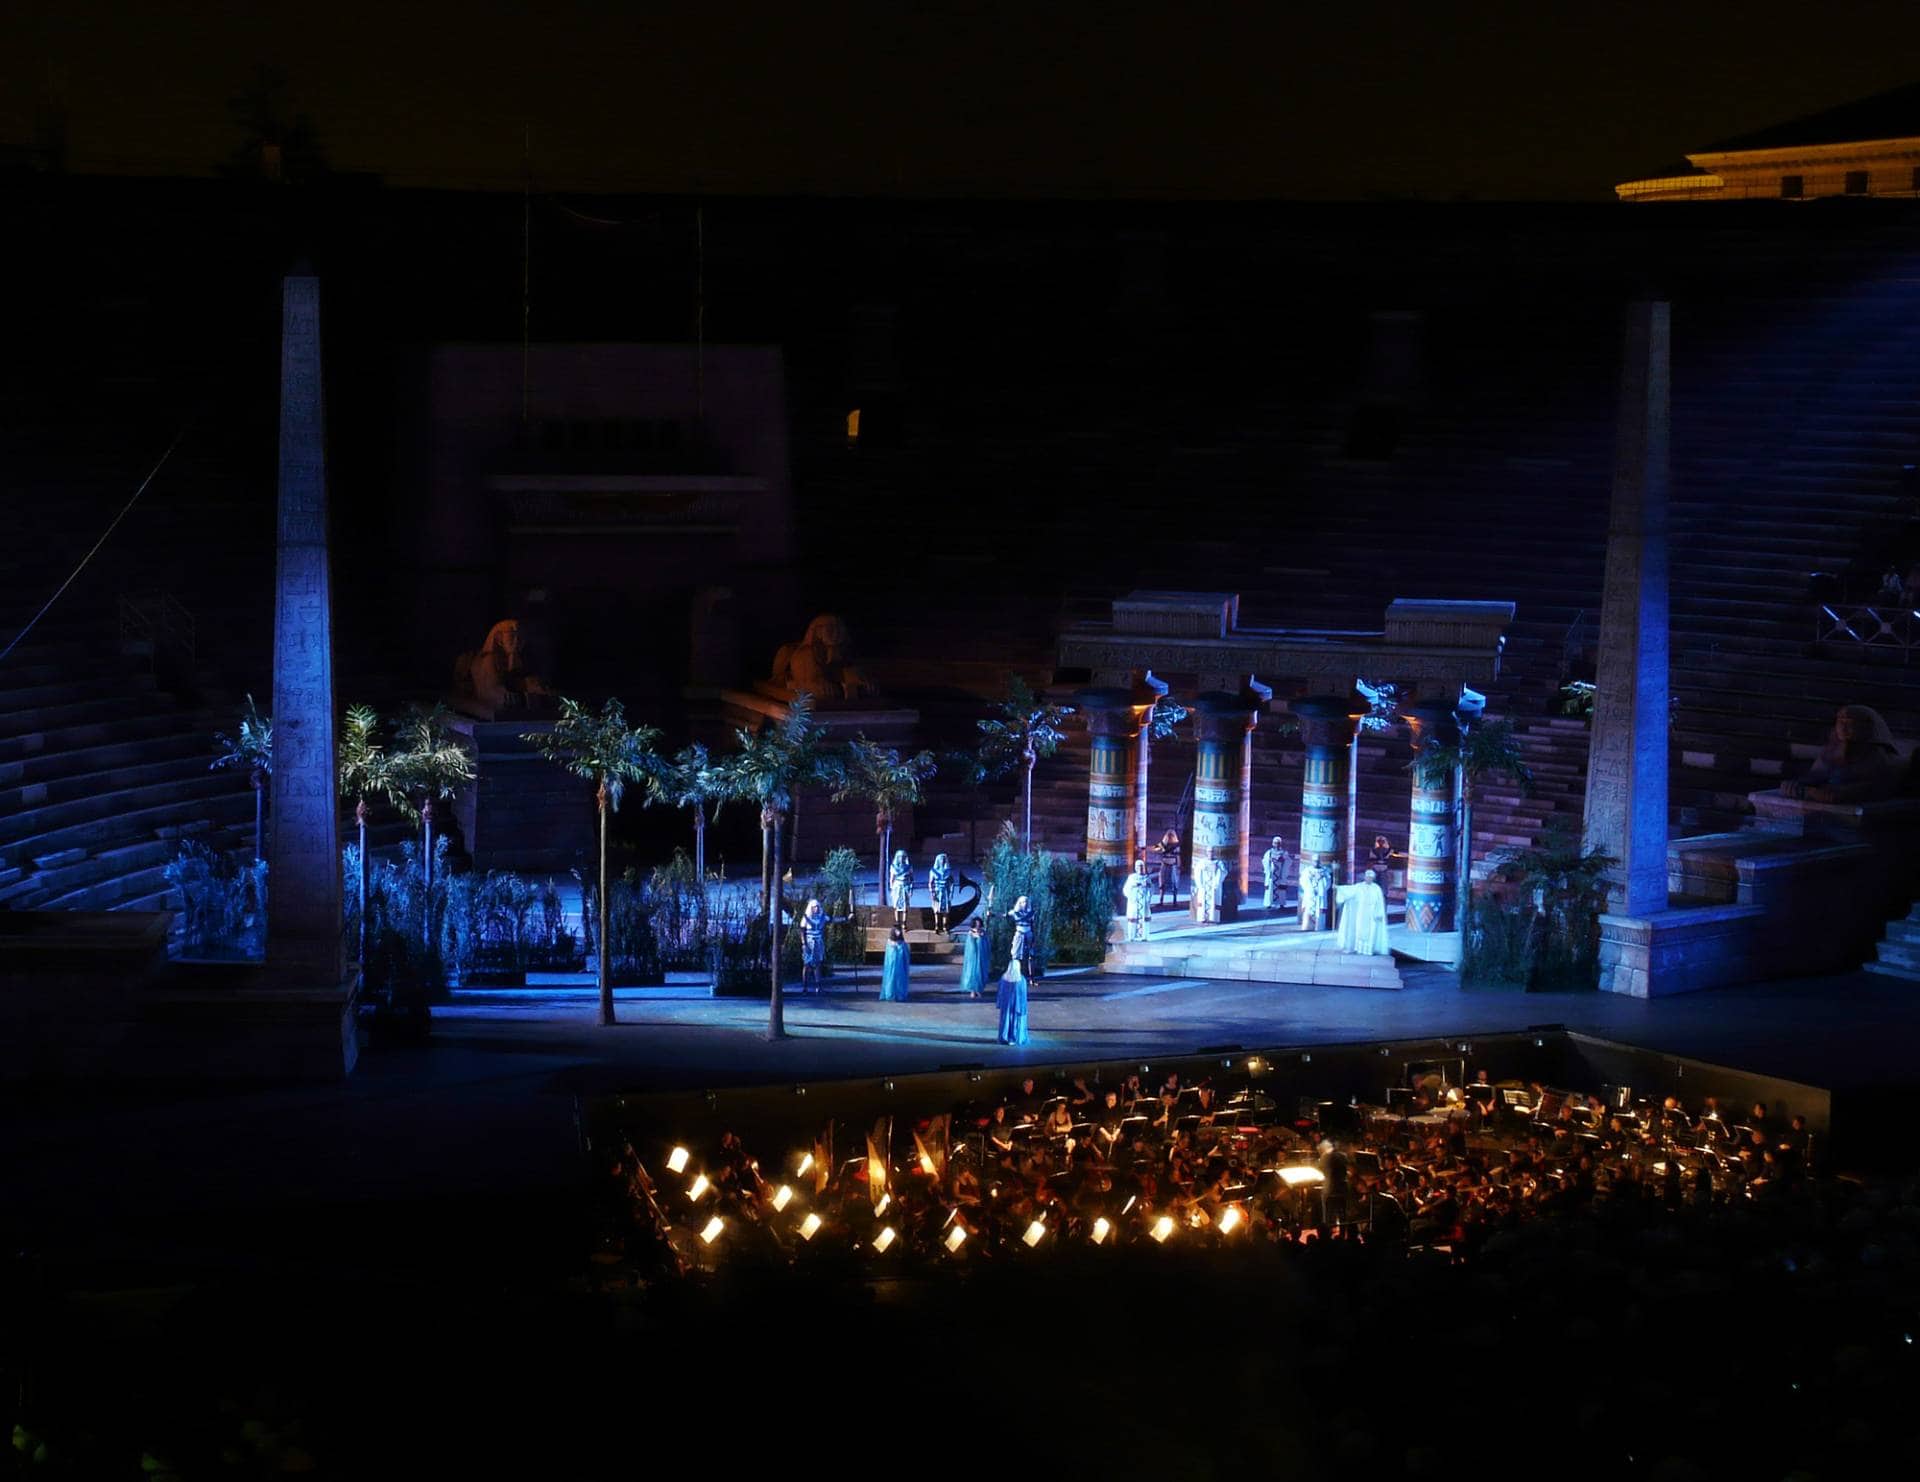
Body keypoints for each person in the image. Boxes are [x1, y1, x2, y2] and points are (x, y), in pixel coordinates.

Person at [1780, 704, 1901, 803]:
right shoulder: (1830, 751)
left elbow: (1871, 789)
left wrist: (1831, 794)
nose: (1843, 728)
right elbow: (1815, 776)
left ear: (1866, 727)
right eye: (1841, 722)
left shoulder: (1878, 757)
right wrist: (1797, 785)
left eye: (1850, 723)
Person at [797, 898, 849, 993]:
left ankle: (818, 987)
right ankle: (805, 987)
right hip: (809, 942)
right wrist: (804, 944)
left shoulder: (822, 917)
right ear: (811, 908)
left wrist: (846, 918)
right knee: (807, 965)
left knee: (817, 965)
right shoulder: (806, 918)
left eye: (817, 907)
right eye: (814, 907)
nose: (816, 909)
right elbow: (802, 931)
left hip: (818, 942)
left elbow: (833, 920)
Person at [1333, 869, 1389, 955]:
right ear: (1365, 877)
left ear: (1373, 878)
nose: (1368, 879)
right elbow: (1349, 890)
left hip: (1371, 915)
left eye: (1370, 877)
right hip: (1361, 913)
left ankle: (1369, 950)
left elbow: (1380, 903)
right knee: (1359, 931)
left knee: (1371, 933)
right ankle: (1358, 949)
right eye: (1367, 877)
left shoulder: (1377, 889)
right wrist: (1338, 888)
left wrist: (1378, 913)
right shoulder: (1359, 887)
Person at [996, 954, 1030, 1046]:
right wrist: (1023, 1007)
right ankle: (1014, 1038)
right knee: (1015, 1021)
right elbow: (1023, 995)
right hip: (1017, 1006)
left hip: (1006, 1006)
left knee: (1006, 1021)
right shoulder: (1021, 979)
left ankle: (1005, 1037)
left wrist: (999, 1004)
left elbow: (1000, 993)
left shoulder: (1003, 978)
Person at [1121, 858, 1155, 941]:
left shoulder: (1147, 878)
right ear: (1135, 868)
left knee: (1144, 919)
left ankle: (1144, 937)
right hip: (1134, 902)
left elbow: (1152, 889)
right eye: (1138, 867)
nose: (1140, 868)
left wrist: (1148, 887)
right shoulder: (1131, 878)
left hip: (1144, 903)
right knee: (1133, 919)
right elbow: (1126, 889)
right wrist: (1134, 887)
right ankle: (1131, 937)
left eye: (1142, 867)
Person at [958, 915, 990, 998]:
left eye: (979, 923)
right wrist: (977, 937)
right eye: (976, 923)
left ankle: (979, 990)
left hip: (981, 956)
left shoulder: (983, 932)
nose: (978, 924)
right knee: (972, 972)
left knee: (981, 972)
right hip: (973, 957)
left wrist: (982, 937)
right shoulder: (971, 933)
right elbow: (969, 945)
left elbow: (987, 943)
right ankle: (972, 990)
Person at [879, 924, 911, 1002]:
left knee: (900, 980)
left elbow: (906, 955)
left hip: (900, 966)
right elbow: (888, 956)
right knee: (891, 979)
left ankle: (900, 995)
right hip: (891, 965)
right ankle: (890, 994)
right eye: (896, 931)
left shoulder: (902, 943)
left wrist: (900, 947)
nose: (898, 932)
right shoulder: (889, 942)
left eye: (899, 931)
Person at [1008, 895, 1036, 977]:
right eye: (1023, 902)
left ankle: (1032, 978)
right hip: (1019, 934)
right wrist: (992, 914)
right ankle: (1016, 975)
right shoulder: (1014, 912)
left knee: (1031, 956)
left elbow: (1033, 926)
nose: (1025, 904)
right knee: (1016, 956)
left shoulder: (1031, 913)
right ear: (1020, 903)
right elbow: (1004, 915)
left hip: (1029, 934)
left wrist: (1033, 939)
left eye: (1026, 902)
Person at [1298, 861, 1331, 932]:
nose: (1316, 863)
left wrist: (1322, 881)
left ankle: (1318, 927)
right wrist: (1309, 882)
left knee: (1320, 911)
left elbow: (1328, 882)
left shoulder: (1324, 871)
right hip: (1310, 894)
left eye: (1317, 861)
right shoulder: (1307, 870)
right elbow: (1302, 880)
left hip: (1320, 895)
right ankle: (1308, 927)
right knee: (1308, 909)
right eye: (1314, 861)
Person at [928, 853, 955, 933]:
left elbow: (952, 883)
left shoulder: (948, 871)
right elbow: (930, 883)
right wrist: (931, 892)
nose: (942, 861)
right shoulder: (933, 871)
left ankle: (944, 926)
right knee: (936, 910)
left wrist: (951, 893)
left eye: (943, 860)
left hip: (945, 893)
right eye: (940, 860)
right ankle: (936, 926)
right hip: (937, 892)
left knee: (945, 911)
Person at [1154, 827, 1182, 905]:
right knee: (1162, 883)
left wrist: (1179, 865)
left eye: (1171, 835)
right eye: (1169, 835)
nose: (1170, 837)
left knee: (1174, 883)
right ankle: (1161, 901)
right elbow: (1155, 848)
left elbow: (1178, 856)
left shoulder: (1176, 845)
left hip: (1173, 866)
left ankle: (1175, 901)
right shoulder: (1163, 844)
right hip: (1165, 865)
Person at [887, 849, 914, 929]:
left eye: (903, 857)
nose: (901, 858)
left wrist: (911, 889)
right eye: (899, 857)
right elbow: (891, 879)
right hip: (897, 888)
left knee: (905, 907)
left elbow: (911, 879)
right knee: (896, 906)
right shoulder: (893, 867)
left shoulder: (908, 867)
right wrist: (892, 889)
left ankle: (904, 924)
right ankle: (897, 923)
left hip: (905, 887)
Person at [1261, 836, 1288, 910]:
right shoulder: (1269, 852)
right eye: (1275, 843)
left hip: (1280, 874)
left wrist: (1283, 860)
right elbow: (1264, 860)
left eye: (1278, 843)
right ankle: (1268, 903)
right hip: (1271, 873)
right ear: (1273, 843)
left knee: (1281, 888)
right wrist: (1269, 860)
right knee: (1270, 887)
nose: (1276, 845)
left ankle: (1281, 903)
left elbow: (1288, 861)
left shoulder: (1284, 852)